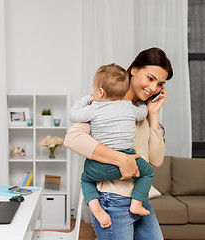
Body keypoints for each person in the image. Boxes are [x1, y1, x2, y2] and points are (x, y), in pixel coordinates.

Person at [64, 47, 173, 240]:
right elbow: (72, 139)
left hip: (139, 198)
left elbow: (156, 160)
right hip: (112, 199)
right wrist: (121, 159)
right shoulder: (103, 103)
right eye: (150, 78)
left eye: (160, 84)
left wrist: (153, 114)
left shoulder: (140, 110)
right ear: (134, 70)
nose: (154, 88)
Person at [68, 63, 155, 229]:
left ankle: (95, 206)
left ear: (100, 92)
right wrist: (143, 104)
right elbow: (143, 114)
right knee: (148, 172)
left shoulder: (94, 108)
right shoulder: (129, 109)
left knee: (86, 179)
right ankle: (136, 203)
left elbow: (73, 114)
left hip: (99, 167)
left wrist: (88, 98)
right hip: (129, 162)